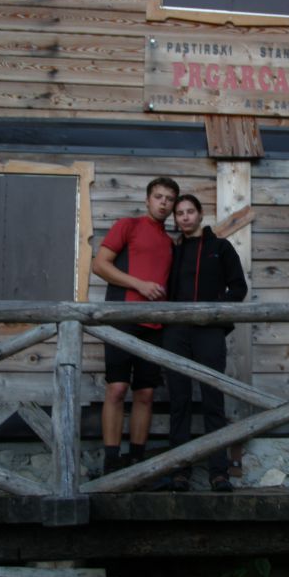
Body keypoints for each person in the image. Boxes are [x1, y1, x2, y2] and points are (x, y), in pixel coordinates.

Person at [91, 176, 179, 475]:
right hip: (121, 320)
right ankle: (112, 462)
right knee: (116, 389)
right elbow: (99, 265)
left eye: (169, 198)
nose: (163, 202)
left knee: (145, 394)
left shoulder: (170, 243)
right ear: (147, 199)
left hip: (155, 326)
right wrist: (140, 285)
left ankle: (137, 461)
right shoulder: (127, 225)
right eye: (158, 196)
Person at [163, 194, 248, 492]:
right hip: (176, 332)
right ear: (175, 219)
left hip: (209, 332)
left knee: (213, 399)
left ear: (200, 215)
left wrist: (215, 312)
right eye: (179, 214)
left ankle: (218, 472)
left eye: (190, 212)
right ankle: (179, 470)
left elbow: (239, 287)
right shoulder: (172, 250)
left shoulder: (220, 248)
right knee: (179, 400)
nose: (185, 217)